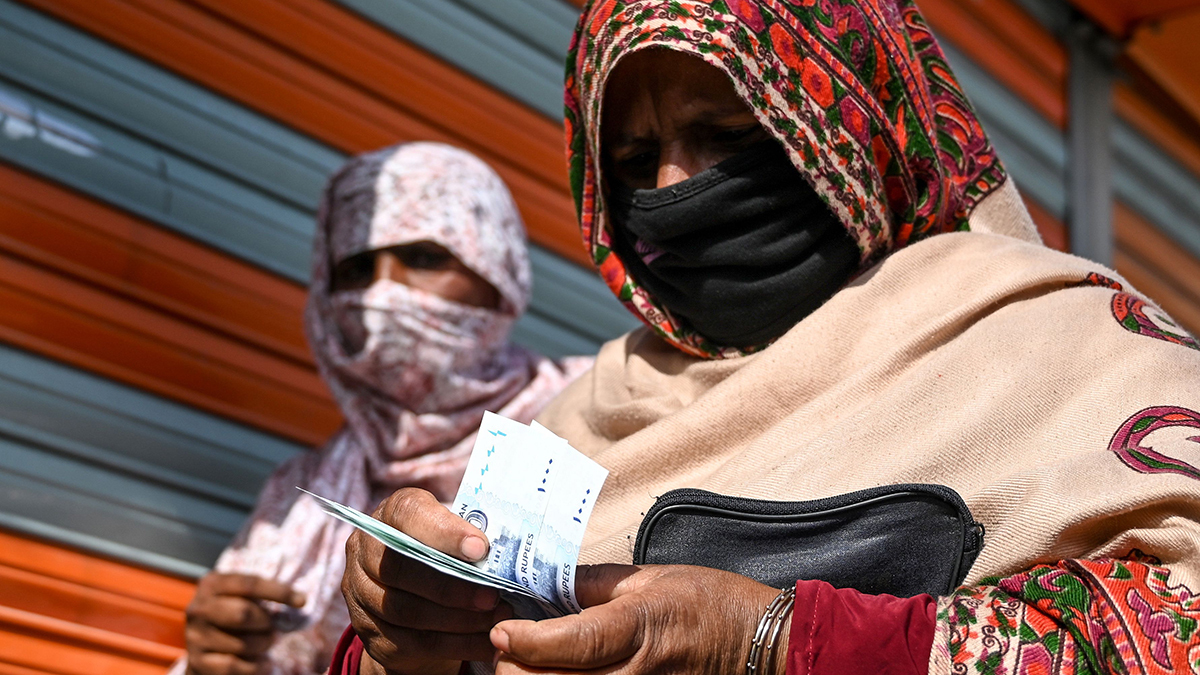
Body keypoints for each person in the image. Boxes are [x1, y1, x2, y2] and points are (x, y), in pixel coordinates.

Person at [333, 2, 1200, 675]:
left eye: (727, 138)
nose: (673, 189)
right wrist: (398, 632)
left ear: (854, 127)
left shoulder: (1058, 346)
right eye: (634, 163)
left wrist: (774, 641)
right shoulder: (585, 418)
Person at [173, 142, 592, 675]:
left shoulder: (589, 416)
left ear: (498, 272)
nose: (382, 294)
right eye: (358, 269)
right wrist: (218, 658)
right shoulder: (300, 492)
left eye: (422, 258)